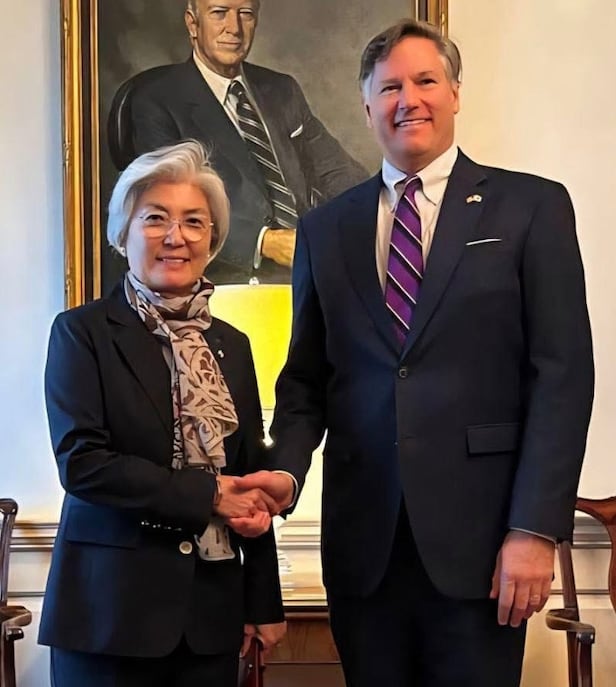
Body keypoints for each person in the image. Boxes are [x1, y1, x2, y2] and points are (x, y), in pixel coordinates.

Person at [235, 18, 595, 687]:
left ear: (454, 92)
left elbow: (562, 378)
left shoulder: (531, 207)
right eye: (390, 87)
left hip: (486, 546)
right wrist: (284, 471)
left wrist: (534, 529)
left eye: (425, 81)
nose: (409, 100)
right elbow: (307, 381)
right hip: (364, 550)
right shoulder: (324, 228)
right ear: (367, 104)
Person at [39, 140, 286, 687]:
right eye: (155, 218)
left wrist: (263, 601)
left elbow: (248, 475)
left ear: (212, 240)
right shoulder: (82, 333)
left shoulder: (233, 345)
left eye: (194, 222)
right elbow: (83, 464)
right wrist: (209, 494)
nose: (176, 236)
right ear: (122, 234)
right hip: (108, 614)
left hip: (210, 615)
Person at [121, 0, 368, 285]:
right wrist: (264, 241)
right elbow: (170, 206)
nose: (234, 28)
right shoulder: (156, 100)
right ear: (192, 23)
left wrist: (374, 210)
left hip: (311, 266)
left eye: (245, 14)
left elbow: (336, 170)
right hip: (227, 280)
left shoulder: (281, 89)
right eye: (219, 13)